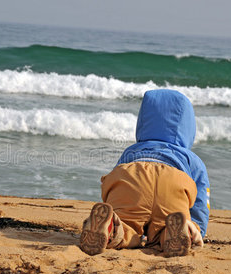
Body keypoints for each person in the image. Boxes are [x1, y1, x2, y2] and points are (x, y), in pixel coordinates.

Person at [80, 89, 210, 257]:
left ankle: (112, 227)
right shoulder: (191, 158)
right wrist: (198, 227)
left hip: (132, 176)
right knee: (165, 230)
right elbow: (201, 199)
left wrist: (114, 206)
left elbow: (117, 182)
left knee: (126, 227)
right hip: (173, 183)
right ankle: (180, 230)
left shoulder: (131, 150)